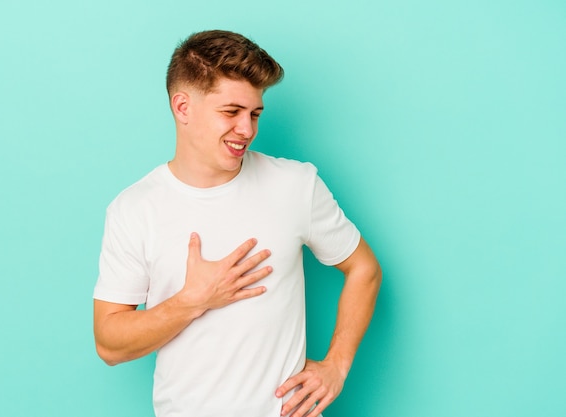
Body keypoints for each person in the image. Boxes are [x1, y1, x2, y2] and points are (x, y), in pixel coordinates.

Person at [93, 29, 382, 417]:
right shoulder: (134, 209)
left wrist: (337, 365)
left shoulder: (295, 185)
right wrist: (191, 301)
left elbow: (364, 268)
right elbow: (109, 343)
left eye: (255, 114)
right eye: (231, 112)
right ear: (182, 107)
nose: (247, 129)